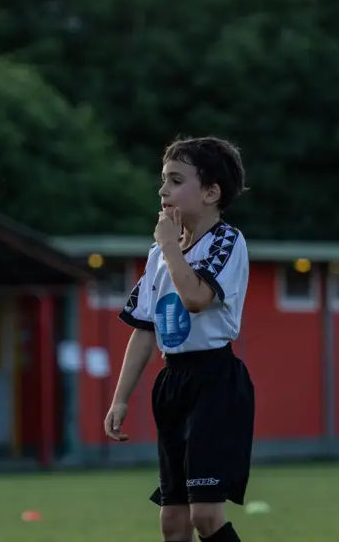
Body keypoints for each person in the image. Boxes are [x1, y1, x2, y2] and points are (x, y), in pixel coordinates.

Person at [104, 136, 255, 542]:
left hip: (215, 381)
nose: (163, 191)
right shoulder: (158, 255)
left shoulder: (226, 241)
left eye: (175, 180)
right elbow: (144, 329)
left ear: (211, 193)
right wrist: (120, 398)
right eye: (163, 180)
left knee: (205, 513)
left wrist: (170, 245)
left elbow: (195, 298)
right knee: (173, 521)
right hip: (172, 382)